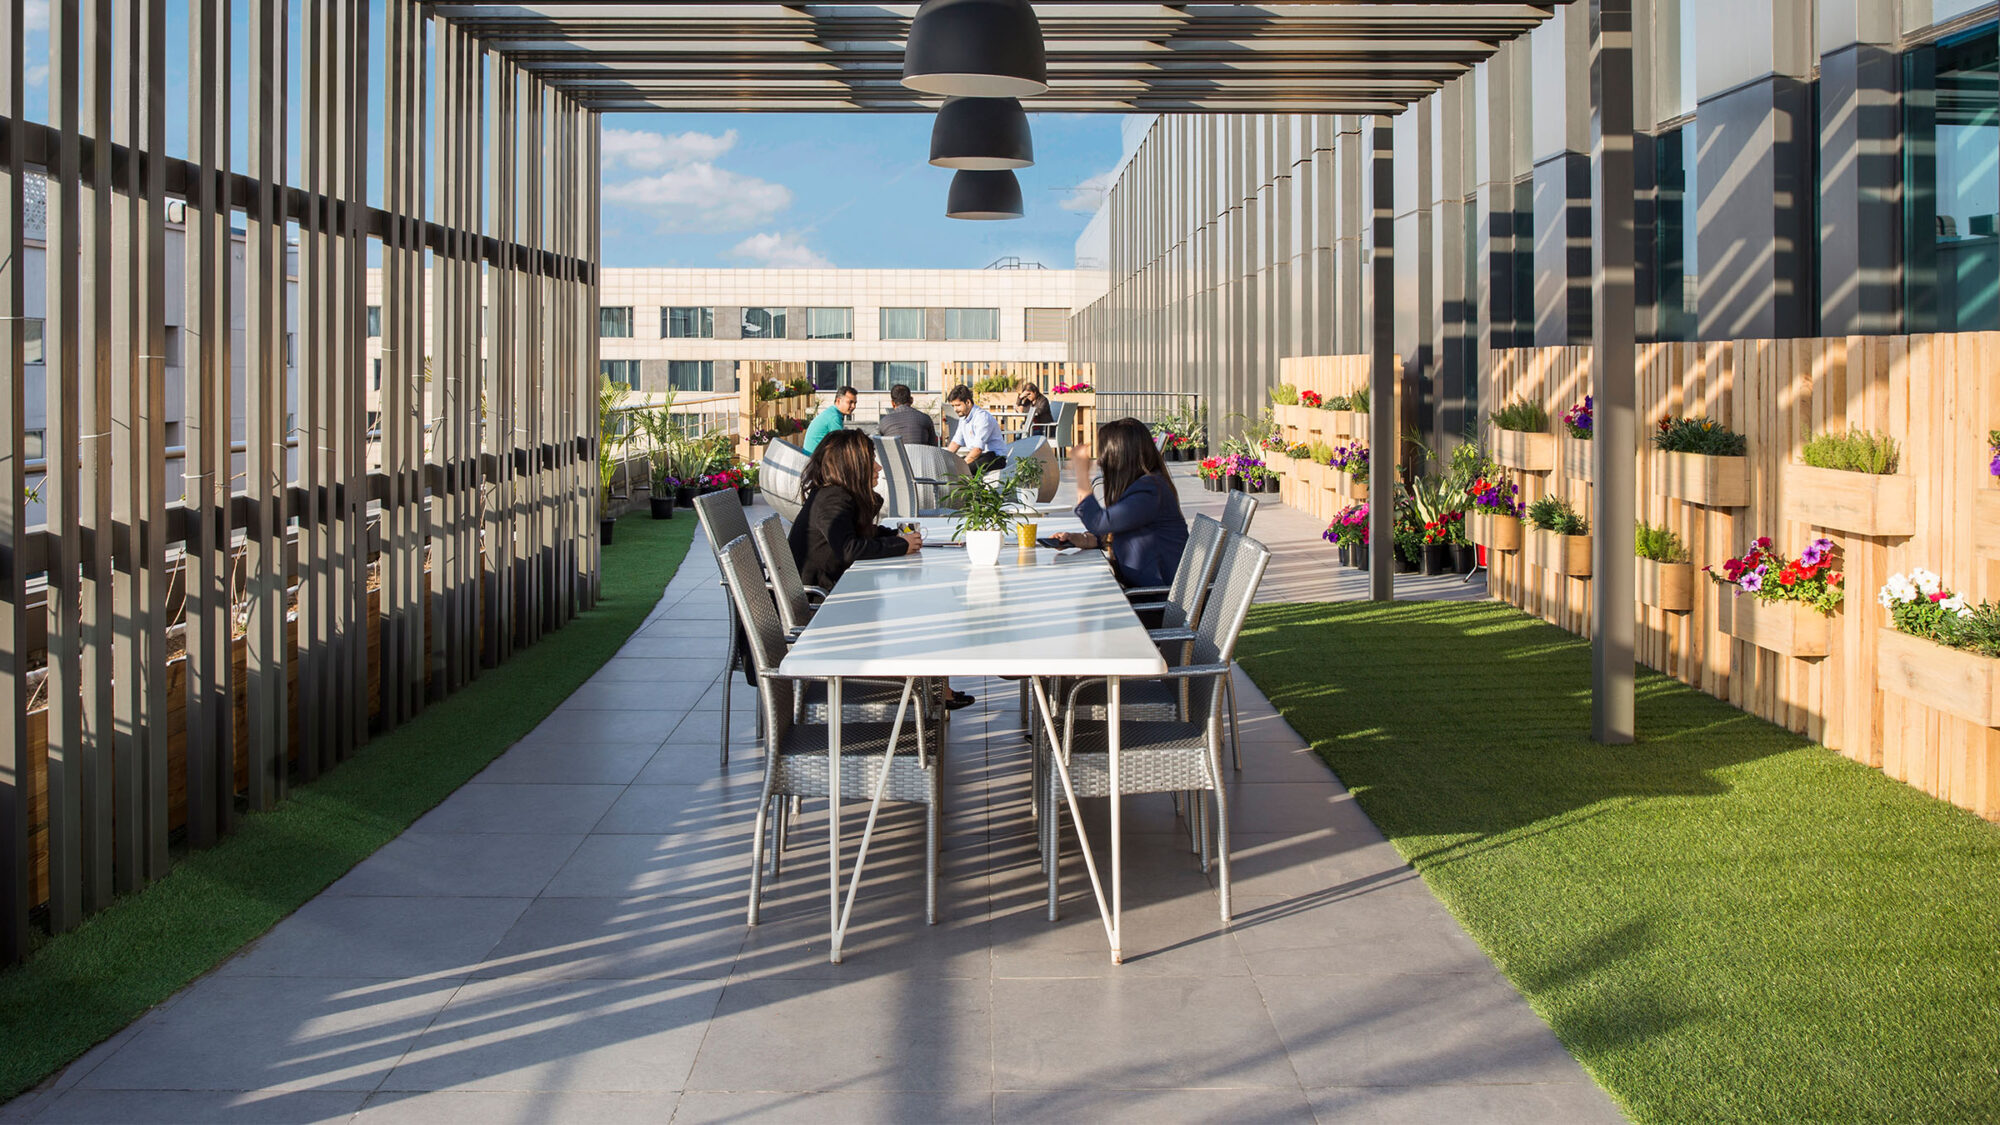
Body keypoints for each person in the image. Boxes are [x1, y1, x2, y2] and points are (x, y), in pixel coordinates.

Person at [788, 429, 973, 710]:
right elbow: (849, 548)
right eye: (870, 461)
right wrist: (899, 545)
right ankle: (929, 689)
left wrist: (893, 537)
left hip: (832, 594)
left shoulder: (834, 495)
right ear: (852, 466)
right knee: (913, 609)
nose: (877, 467)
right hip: (823, 606)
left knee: (913, 604)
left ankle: (934, 687)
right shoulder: (832, 499)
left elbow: (858, 536)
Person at [1054, 417, 1190, 589]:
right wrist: (1083, 539)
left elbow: (1098, 522)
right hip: (1142, 592)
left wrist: (1081, 473)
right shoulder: (1147, 486)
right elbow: (1120, 528)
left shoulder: (1150, 491)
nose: (1100, 463)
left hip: (1155, 600)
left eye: (1104, 458)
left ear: (1118, 458)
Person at [943, 384, 1008, 474]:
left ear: (968, 402)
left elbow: (978, 449)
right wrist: (944, 460)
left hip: (995, 457)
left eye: (957, 405)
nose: (955, 409)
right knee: (952, 466)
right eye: (953, 406)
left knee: (962, 470)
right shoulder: (963, 418)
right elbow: (955, 443)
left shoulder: (982, 417)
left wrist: (962, 466)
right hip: (980, 455)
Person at [802, 384, 858, 455]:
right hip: (814, 460)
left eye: (855, 403)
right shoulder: (834, 417)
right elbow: (840, 445)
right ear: (838, 401)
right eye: (850, 402)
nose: (853, 406)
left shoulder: (831, 412)